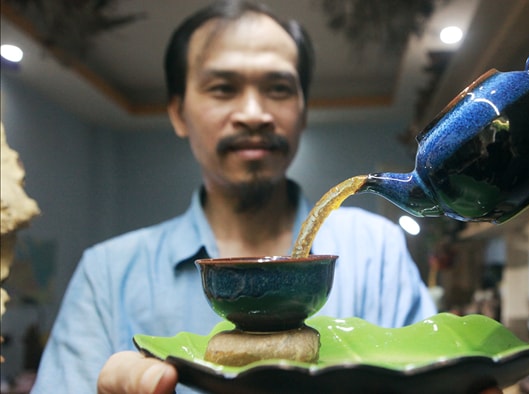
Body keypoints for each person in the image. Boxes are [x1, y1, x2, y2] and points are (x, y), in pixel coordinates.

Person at [32, 2, 440, 393]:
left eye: (278, 88)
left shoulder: (376, 251)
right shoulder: (106, 275)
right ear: (178, 113)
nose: (253, 113)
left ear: (302, 109)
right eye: (223, 88)